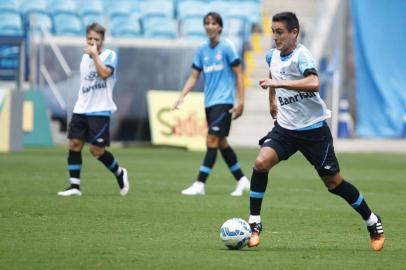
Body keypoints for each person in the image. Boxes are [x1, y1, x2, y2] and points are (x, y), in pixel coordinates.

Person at [246, 12, 384, 251]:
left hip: (314, 131)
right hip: (286, 129)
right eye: (273, 32)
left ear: (294, 33)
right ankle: (254, 223)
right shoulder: (272, 56)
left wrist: (277, 85)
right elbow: (273, 73)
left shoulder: (302, 56)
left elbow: (313, 83)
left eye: (280, 32)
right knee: (261, 162)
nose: (275, 37)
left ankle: (372, 220)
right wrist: (272, 100)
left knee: (334, 183)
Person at [172, 12, 250, 196]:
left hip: (224, 102)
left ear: (220, 27)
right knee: (221, 142)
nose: (209, 26)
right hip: (209, 102)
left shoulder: (228, 47)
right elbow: (194, 76)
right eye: (206, 23)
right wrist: (182, 95)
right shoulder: (201, 50)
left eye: (213, 23)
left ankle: (200, 183)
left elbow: (239, 73)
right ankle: (242, 179)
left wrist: (241, 101)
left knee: (211, 140)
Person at [58, 23, 129, 197]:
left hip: (100, 110)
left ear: (102, 40)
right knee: (74, 144)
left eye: (96, 39)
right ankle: (74, 186)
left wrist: (95, 56)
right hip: (81, 108)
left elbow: (105, 74)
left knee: (96, 151)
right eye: (89, 38)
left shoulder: (109, 55)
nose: (92, 42)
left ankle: (119, 172)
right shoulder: (84, 59)